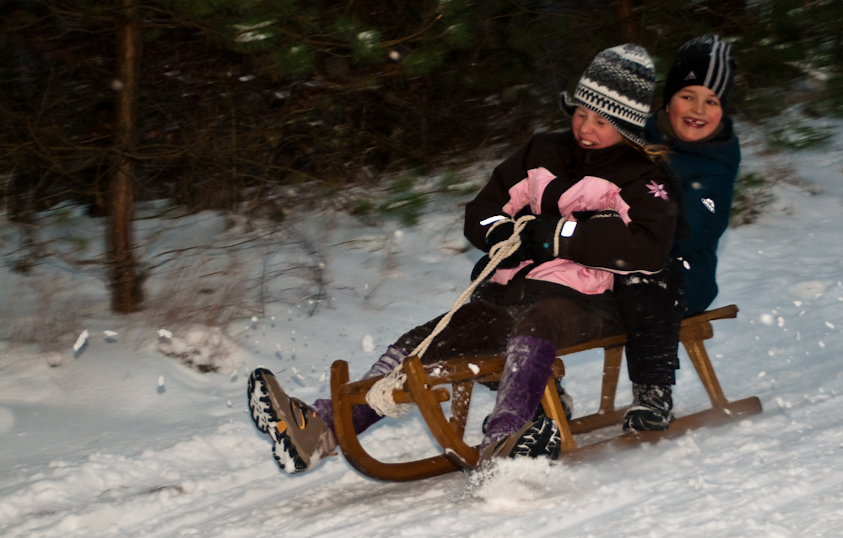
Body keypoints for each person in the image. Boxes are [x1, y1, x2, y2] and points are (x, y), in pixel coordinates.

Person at [248, 44, 679, 474]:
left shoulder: (641, 177)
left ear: (626, 125)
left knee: (538, 322)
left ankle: (507, 437)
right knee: (433, 336)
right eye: (581, 114)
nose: (585, 127)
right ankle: (320, 428)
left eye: (601, 121)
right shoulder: (543, 152)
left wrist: (558, 237)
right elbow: (484, 209)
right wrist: (504, 232)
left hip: (589, 301)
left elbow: (647, 246)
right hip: (512, 289)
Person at [614, 34, 740, 431]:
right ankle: (541, 391)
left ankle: (653, 392)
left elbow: (696, 227)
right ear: (668, 99)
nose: (698, 110)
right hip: (615, 259)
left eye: (712, 101)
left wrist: (629, 225)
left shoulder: (715, 163)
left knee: (646, 277)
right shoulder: (634, 136)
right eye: (689, 95)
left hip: (685, 275)